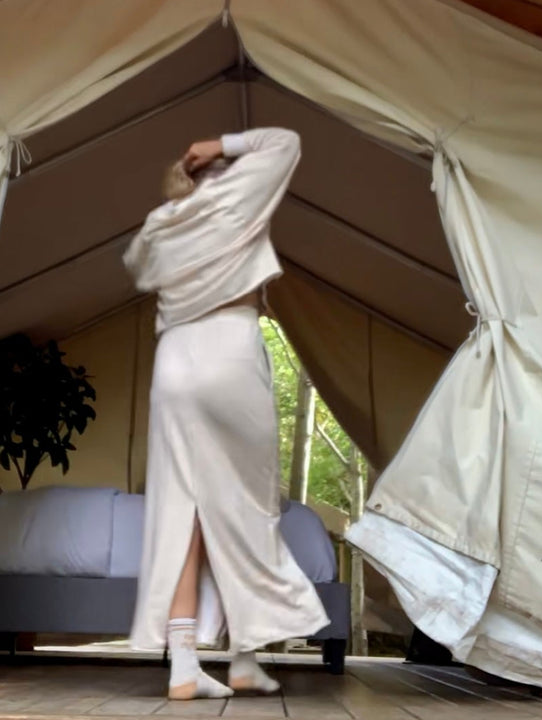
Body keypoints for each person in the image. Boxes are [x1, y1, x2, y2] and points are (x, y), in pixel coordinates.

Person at [122, 128, 329, 701]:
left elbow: (137, 269)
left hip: (173, 362)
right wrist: (219, 146)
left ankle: (185, 663)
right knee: (248, 505)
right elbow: (285, 141)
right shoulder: (235, 197)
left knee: (181, 510)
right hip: (228, 350)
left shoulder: (160, 227)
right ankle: (244, 652)